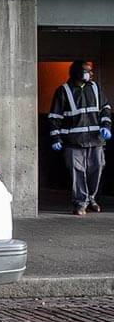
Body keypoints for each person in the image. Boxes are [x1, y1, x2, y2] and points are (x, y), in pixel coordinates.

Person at [48, 60, 112, 216]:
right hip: (73, 141)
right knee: (78, 173)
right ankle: (80, 203)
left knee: (96, 170)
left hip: (95, 140)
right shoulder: (63, 91)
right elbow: (54, 117)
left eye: (91, 71)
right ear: (77, 72)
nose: (90, 74)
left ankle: (91, 199)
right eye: (87, 71)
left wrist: (106, 126)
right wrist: (56, 138)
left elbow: (105, 109)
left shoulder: (95, 88)